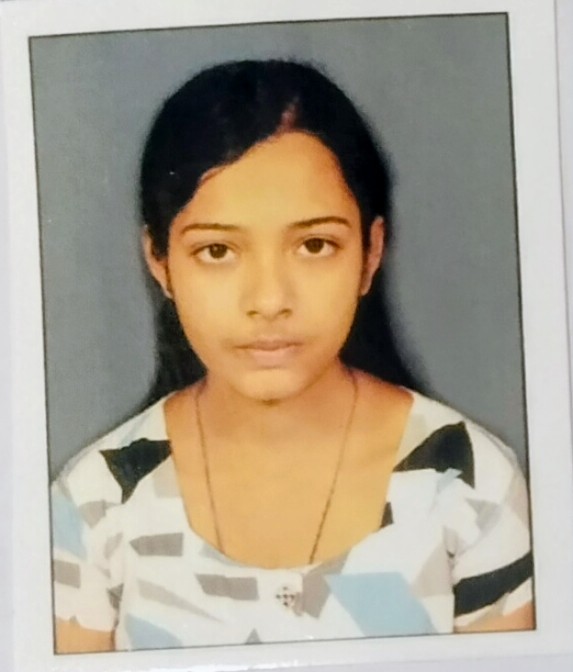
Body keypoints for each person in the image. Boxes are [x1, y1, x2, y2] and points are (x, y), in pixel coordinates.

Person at [51, 60, 533, 653]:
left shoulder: (470, 483)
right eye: (218, 251)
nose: (270, 300)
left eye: (314, 244)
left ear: (370, 252)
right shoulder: (95, 500)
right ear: (159, 261)